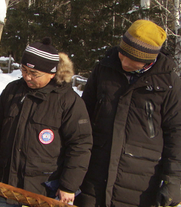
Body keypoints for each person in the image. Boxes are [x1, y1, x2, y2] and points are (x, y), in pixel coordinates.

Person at [75, 19, 181, 207]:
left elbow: (177, 134)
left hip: (140, 181)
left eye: (132, 58)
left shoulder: (169, 84)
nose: (123, 61)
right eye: (122, 53)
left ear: (150, 58)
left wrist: (174, 180)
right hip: (95, 173)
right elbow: (83, 116)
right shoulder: (104, 69)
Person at [0, 37, 93, 206]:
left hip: (44, 190)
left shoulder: (69, 101)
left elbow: (80, 145)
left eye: (34, 74)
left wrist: (69, 185)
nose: (27, 77)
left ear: (52, 73)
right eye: (24, 70)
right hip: (8, 185)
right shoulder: (13, 91)